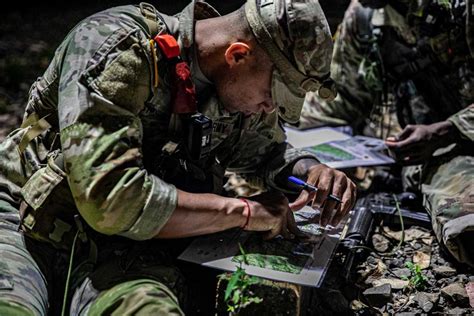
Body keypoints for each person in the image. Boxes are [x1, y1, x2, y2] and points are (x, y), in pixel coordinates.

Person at [0, 0, 357, 314]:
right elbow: (109, 198)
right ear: (237, 54)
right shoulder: (118, 45)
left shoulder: (232, 86)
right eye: (271, 95)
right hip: (23, 227)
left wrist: (310, 170)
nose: (269, 108)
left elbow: (264, 152)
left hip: (127, 253)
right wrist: (244, 212)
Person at [298, 0, 473, 266]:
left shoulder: (462, 8)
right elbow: (338, 101)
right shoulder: (365, 16)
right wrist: (293, 152)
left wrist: (449, 130)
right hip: (423, 157)